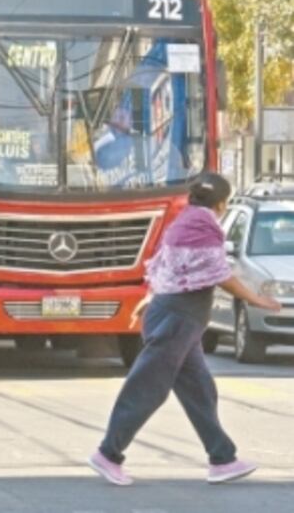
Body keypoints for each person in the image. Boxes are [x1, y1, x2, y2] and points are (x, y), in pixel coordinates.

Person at [88, 173, 282, 487]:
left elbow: (170, 266)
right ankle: (109, 453)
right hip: (179, 317)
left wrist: (151, 299)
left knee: (199, 390)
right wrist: (256, 298)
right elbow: (218, 273)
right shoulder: (203, 225)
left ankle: (222, 458)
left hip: (179, 317)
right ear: (222, 203)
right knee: (148, 386)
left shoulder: (185, 220)